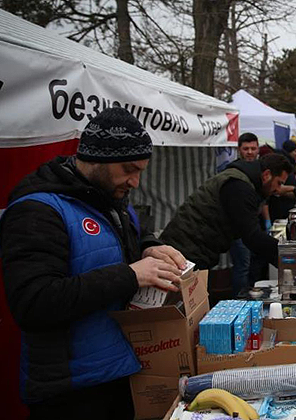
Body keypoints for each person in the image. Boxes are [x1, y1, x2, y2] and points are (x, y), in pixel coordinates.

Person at [0, 107, 186, 419]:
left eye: (141, 170)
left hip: (117, 372)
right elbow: (33, 303)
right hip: (69, 392)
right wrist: (129, 275)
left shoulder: (112, 200)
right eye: (129, 169)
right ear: (96, 157)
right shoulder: (36, 211)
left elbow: (128, 240)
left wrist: (149, 247)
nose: (136, 181)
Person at [160, 153, 292, 273]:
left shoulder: (244, 179)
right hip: (185, 248)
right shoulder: (240, 186)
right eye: (278, 183)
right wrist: (288, 257)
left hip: (194, 247)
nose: (278, 190)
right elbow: (252, 237)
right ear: (266, 175)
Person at [229, 132, 260, 296]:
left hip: (253, 224)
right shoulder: (234, 170)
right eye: (246, 148)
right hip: (238, 228)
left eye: (253, 148)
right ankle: (238, 299)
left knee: (251, 264)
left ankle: (250, 295)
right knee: (243, 265)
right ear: (239, 150)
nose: (249, 152)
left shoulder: (259, 170)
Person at [268, 139, 296, 221]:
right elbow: (277, 189)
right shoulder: (282, 166)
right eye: (295, 151)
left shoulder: (290, 165)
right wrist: (294, 190)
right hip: (278, 211)